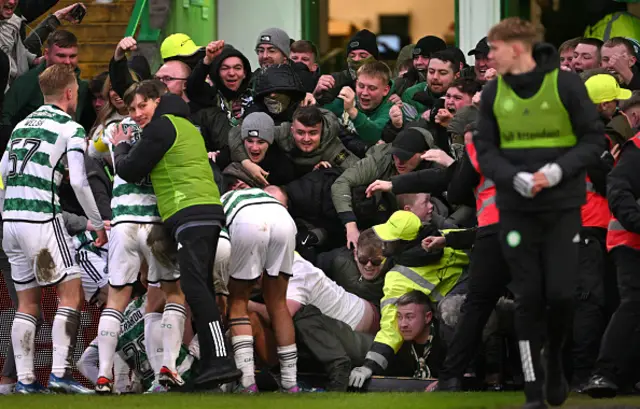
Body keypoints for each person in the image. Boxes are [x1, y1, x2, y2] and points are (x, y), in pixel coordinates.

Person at [473, 18, 605, 408]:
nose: (489, 57)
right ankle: (534, 386)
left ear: (517, 49)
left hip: (562, 208)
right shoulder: (494, 91)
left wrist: (556, 171)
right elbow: (486, 149)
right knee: (528, 297)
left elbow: (593, 137)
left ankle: (553, 358)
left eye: (495, 49)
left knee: (563, 295)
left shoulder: (565, 84)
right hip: (515, 211)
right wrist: (512, 177)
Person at [111, 80, 241, 388]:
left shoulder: (161, 127)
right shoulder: (186, 125)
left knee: (195, 289)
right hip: (205, 210)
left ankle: (220, 361)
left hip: (190, 211)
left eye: (143, 105)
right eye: (132, 109)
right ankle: (213, 362)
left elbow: (129, 170)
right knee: (203, 288)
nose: (138, 113)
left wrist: (120, 145)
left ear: (157, 101)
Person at [0, 64, 107, 394]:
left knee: (27, 302)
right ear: (71, 93)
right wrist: (99, 222)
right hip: (42, 221)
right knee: (70, 293)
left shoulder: (21, 126)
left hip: (11, 223)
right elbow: (78, 179)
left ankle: (26, 382)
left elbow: (2, 171)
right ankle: (60, 375)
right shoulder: (69, 127)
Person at [220, 186, 299, 393]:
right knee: (278, 304)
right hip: (284, 220)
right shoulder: (263, 196)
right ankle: (291, 383)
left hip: (247, 222)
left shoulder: (220, 202)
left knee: (238, 303)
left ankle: (247, 382)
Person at [1, 30, 96, 150]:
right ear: (46, 54)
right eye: (61, 56)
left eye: (72, 56)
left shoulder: (83, 87)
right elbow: (5, 119)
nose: (67, 62)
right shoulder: (27, 82)